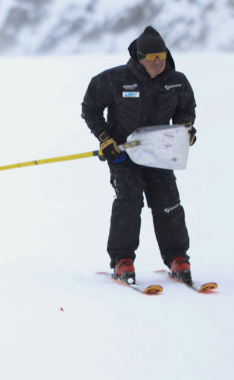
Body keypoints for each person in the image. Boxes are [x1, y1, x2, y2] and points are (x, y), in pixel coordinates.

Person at [81, 25, 198, 285]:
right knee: (129, 200)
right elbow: (90, 107)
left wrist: (185, 130)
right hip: (123, 154)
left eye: (162, 56)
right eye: (152, 57)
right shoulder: (116, 80)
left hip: (158, 153)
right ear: (140, 58)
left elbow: (185, 109)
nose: (158, 62)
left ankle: (177, 257)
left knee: (168, 201)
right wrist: (104, 138)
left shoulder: (176, 81)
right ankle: (122, 260)